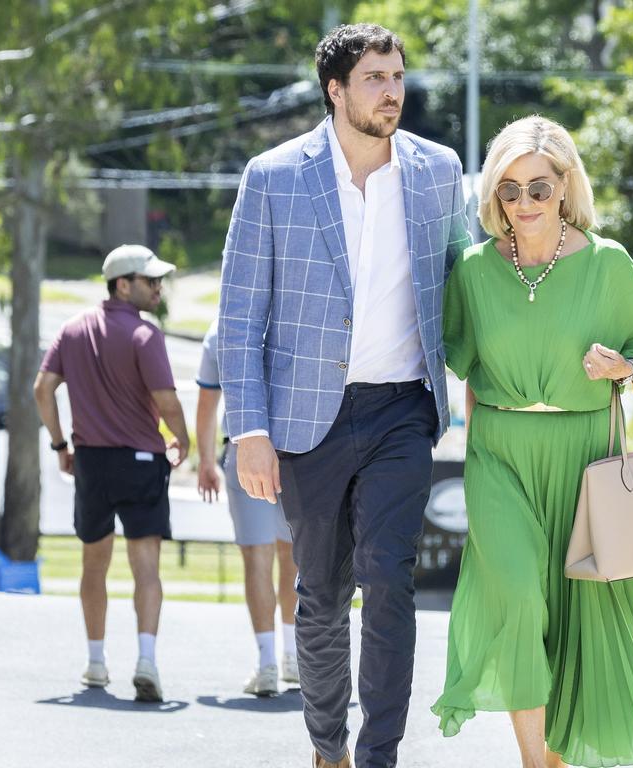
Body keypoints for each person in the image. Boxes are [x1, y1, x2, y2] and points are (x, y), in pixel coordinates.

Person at [217, 23, 470, 768]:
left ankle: (378, 755)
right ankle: (327, 748)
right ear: (336, 90)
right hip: (304, 418)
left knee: (388, 581)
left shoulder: (437, 170)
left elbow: (463, 287)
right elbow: (240, 313)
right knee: (321, 596)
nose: (392, 91)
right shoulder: (273, 176)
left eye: (397, 77)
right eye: (375, 78)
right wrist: (249, 430)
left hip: (400, 407)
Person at [431, 115, 633, 768]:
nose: (524, 205)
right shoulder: (472, 269)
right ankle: (532, 762)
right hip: (499, 453)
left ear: (566, 186)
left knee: (578, 611)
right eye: (509, 190)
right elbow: (448, 353)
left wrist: (620, 368)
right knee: (517, 595)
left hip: (586, 456)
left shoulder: (608, 263)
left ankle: (559, 754)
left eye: (539, 189)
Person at [33, 243, 190, 703]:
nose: (158, 288)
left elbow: (43, 389)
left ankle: (96, 662)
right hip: (141, 461)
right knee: (146, 567)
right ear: (123, 285)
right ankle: (146, 661)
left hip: (93, 463)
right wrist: (180, 438)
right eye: (150, 281)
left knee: (93, 564)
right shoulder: (146, 336)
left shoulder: (72, 329)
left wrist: (61, 444)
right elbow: (166, 401)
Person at [195, 320, 300, 696]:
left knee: (257, 558)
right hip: (293, 446)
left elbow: (208, 401)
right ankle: (291, 655)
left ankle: (267, 662)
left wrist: (205, 460)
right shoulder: (288, 316)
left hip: (244, 447)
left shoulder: (220, 330)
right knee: (293, 557)